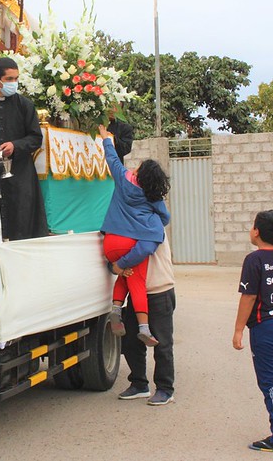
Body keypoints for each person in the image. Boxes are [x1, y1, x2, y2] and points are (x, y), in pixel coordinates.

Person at [98, 123, 170, 347]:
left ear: (138, 171)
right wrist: (149, 221)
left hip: (110, 244)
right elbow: (165, 218)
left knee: (124, 275)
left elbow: (112, 159)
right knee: (136, 280)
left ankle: (116, 312)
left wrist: (106, 138)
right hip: (132, 246)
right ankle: (143, 327)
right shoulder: (152, 197)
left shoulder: (122, 180)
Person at [233, 210, 273, 453]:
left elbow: (249, 297)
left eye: (252, 226)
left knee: (271, 384)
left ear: (257, 232)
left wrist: (238, 330)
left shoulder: (254, 260)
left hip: (267, 328)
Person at [0, 57, 48, 240]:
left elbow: (35, 138)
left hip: (20, 172)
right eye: (9, 79)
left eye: (16, 79)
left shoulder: (25, 105)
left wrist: (15, 146)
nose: (13, 83)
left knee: (22, 219)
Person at [118, 235, 177, 406]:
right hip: (136, 293)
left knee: (162, 344)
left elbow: (142, 250)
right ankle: (139, 384)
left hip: (159, 291)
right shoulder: (131, 227)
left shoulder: (153, 225)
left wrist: (118, 265)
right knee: (130, 341)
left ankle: (165, 389)